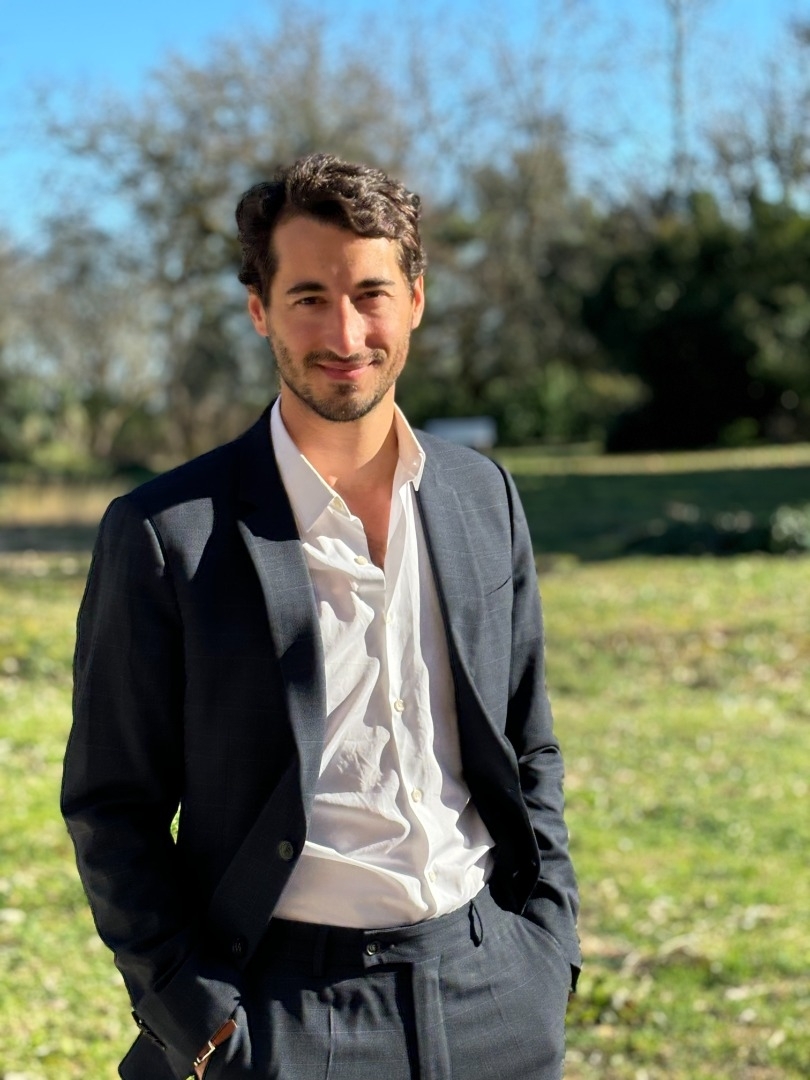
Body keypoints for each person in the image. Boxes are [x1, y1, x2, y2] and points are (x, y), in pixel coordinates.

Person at [61, 153, 580, 1080]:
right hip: (284, 1015)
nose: (345, 332)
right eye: (308, 297)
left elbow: (527, 741)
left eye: (371, 293)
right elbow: (112, 804)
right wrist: (195, 1015)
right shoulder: (164, 533)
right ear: (259, 310)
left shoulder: (483, 497)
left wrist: (546, 949)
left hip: (492, 992)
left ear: (415, 300)